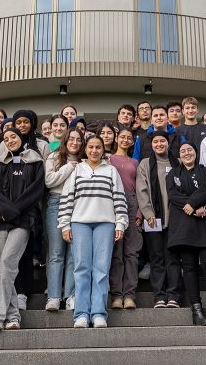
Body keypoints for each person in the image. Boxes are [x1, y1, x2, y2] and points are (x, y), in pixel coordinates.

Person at [59, 134, 128, 328]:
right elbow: (67, 198)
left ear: (103, 150)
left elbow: (119, 198)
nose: (94, 150)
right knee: (81, 268)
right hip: (79, 223)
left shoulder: (112, 170)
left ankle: (98, 313)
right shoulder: (77, 169)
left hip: (105, 223)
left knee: (101, 269)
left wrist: (120, 223)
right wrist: (65, 224)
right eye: (91, 147)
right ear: (86, 149)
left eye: (98, 147)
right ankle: (81, 314)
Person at [0, 128, 46, 331]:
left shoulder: (35, 161)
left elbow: (34, 193)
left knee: (7, 263)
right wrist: (4, 210)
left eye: (13, 137)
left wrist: (11, 211)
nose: (10, 141)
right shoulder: (0, 162)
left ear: (21, 138)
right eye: (5, 139)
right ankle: (12, 316)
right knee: (0, 269)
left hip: (22, 221)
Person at [166, 139, 206, 326]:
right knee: (189, 266)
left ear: (196, 152)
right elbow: (173, 194)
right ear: (179, 156)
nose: (186, 153)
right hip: (184, 226)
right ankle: (197, 311)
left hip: (205, 224)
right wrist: (190, 206)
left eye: (190, 150)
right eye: (183, 151)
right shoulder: (173, 174)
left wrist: (193, 203)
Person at [135, 131, 181, 308]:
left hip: (175, 219)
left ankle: (174, 296)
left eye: (162, 141)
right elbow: (142, 189)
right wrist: (148, 213)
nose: (159, 144)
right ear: (151, 144)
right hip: (153, 218)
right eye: (156, 142)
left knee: (173, 258)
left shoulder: (176, 162)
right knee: (156, 257)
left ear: (168, 143)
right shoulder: (145, 164)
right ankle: (159, 296)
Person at [44, 127, 82, 311]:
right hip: (56, 203)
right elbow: (49, 181)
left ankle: (70, 296)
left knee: (74, 254)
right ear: (65, 140)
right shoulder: (54, 157)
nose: (75, 142)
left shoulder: (84, 160)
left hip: (78, 205)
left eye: (78, 140)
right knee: (56, 253)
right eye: (71, 139)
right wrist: (68, 167)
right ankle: (53, 296)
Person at [108, 127, 142, 309]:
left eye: (129, 138)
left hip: (131, 203)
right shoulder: (108, 159)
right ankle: (116, 294)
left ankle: (129, 294)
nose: (125, 140)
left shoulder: (135, 162)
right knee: (116, 252)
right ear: (117, 138)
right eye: (122, 136)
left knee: (131, 253)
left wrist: (140, 212)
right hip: (111, 203)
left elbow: (140, 188)